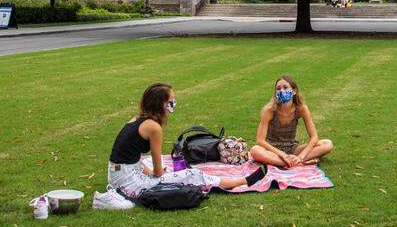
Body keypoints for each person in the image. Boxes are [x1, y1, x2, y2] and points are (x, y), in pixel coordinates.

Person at [94, 82, 266, 209]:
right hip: (127, 181)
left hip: (116, 173)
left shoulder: (136, 119)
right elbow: (158, 171)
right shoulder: (154, 128)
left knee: (163, 171)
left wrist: (152, 172)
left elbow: (132, 156)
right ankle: (240, 181)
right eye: (171, 101)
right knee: (191, 175)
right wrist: (159, 173)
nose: (173, 104)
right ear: (161, 104)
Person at [249, 75, 334, 167]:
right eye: (278, 88)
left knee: (327, 144)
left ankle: (293, 161)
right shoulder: (269, 110)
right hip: (272, 150)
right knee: (255, 150)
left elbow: (314, 137)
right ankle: (295, 163)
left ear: (294, 91)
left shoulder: (301, 109)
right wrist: (282, 155)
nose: (281, 90)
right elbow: (260, 140)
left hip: (292, 149)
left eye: (285, 87)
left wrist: (301, 156)